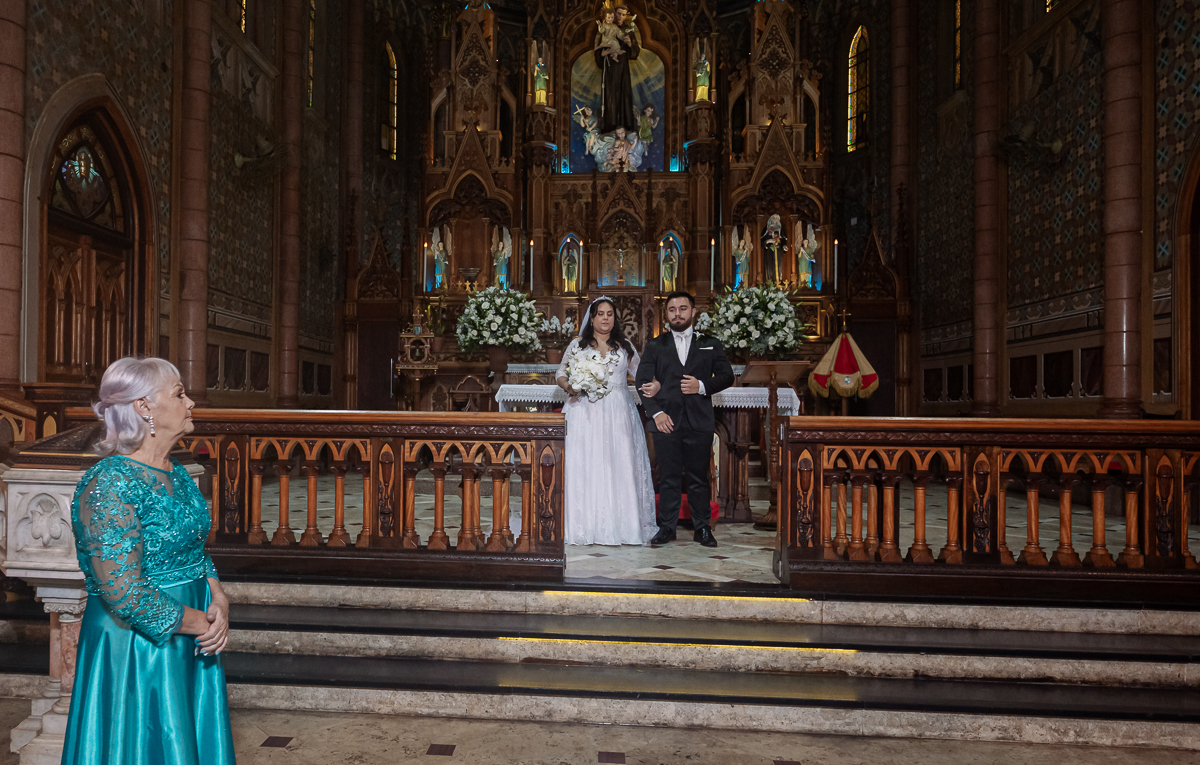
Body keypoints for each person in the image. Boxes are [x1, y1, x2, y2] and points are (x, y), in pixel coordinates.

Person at [62, 357, 236, 765]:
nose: (191, 402)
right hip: (137, 645)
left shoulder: (176, 472)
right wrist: (200, 624)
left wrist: (218, 595)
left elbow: (194, 549)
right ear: (144, 407)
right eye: (179, 393)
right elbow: (122, 592)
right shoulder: (109, 482)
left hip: (193, 634)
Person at [635, 291, 735, 548]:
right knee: (668, 477)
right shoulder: (656, 345)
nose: (677, 314)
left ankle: (703, 529)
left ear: (693, 312)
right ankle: (666, 528)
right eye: (672, 310)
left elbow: (726, 376)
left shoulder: (710, 343)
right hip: (665, 421)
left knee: (698, 477)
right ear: (666, 314)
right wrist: (656, 413)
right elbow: (642, 382)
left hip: (699, 420)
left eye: (682, 309)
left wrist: (702, 385)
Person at [555, 297, 657, 545]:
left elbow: (642, 374)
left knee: (616, 464)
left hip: (618, 411)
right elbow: (560, 372)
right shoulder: (578, 345)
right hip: (583, 411)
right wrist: (570, 387)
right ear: (592, 317)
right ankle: (581, 526)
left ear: (615, 318)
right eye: (600, 313)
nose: (605, 318)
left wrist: (655, 383)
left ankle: (622, 527)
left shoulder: (625, 346)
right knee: (584, 465)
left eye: (610, 314)